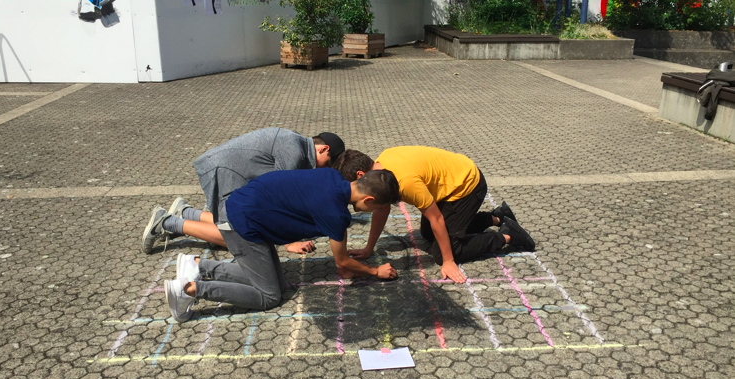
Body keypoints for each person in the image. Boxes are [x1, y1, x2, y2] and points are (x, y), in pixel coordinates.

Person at [164, 167, 401, 322]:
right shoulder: (336, 213)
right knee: (269, 296)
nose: (375, 212)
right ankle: (188, 290)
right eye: (377, 208)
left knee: (275, 282)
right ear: (368, 199)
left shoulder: (333, 175)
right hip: (243, 222)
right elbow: (342, 262)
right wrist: (374, 271)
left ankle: (198, 265)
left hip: (245, 205)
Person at [333, 147, 535, 284]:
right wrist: (369, 248)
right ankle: (496, 218)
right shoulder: (381, 171)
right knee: (428, 234)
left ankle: (508, 235)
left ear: (360, 176)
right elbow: (381, 208)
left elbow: (436, 218)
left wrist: (448, 261)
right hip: (450, 183)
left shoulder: (405, 183)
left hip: (466, 186)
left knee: (444, 252)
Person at [141, 128, 345, 255]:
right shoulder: (294, 150)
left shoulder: (297, 145)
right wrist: (288, 242)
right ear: (323, 149)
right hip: (222, 171)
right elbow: (279, 199)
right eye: (328, 163)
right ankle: (167, 222)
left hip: (230, 171)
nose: (324, 170)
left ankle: (186, 212)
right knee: (237, 236)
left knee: (241, 220)